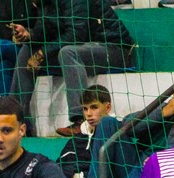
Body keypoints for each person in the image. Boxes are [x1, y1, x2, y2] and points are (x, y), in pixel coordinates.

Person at [9, 0, 136, 138]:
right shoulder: (45, 3)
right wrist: (30, 35)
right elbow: (46, 31)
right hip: (83, 49)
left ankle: (80, 121)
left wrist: (43, 53)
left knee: (68, 52)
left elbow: (76, 35)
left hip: (113, 49)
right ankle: (15, 119)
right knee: (27, 49)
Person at [56, 84, 113, 178]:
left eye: (94, 107)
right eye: (85, 109)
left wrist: (81, 175)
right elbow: (59, 166)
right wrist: (78, 175)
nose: (88, 113)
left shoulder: (118, 132)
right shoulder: (78, 138)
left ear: (108, 107)